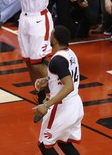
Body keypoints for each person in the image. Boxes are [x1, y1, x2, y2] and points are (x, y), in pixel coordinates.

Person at [33, 25, 84, 155]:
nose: (50, 36)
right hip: (75, 104)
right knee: (64, 143)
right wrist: (48, 79)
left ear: (54, 40)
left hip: (63, 106)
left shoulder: (57, 60)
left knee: (45, 144)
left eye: (52, 34)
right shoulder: (70, 53)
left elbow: (69, 85)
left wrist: (46, 105)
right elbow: (66, 75)